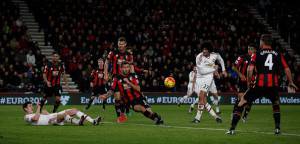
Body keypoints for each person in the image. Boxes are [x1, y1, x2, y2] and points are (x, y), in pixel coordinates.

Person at [227, 34, 298, 135]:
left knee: (242, 102)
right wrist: (291, 82)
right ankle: (277, 129)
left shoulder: (257, 54)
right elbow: (286, 68)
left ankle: (232, 129)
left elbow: (250, 69)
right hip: (272, 85)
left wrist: (249, 82)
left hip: (258, 85)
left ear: (262, 42)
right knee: (275, 104)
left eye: (260, 41)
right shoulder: (278, 54)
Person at [193, 42, 227, 123]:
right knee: (203, 99)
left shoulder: (215, 55)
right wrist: (214, 69)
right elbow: (201, 70)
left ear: (209, 50)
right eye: (203, 49)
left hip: (208, 78)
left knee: (201, 96)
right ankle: (216, 117)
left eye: (205, 50)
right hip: (199, 77)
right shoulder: (199, 57)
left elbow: (221, 60)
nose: (204, 51)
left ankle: (197, 118)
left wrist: (223, 70)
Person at [104, 37, 133, 120]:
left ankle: (123, 112)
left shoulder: (129, 55)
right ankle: (119, 116)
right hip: (115, 77)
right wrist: (105, 74)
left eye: (122, 44)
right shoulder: (113, 52)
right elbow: (106, 62)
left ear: (125, 44)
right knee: (117, 97)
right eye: (119, 44)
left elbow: (131, 66)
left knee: (124, 98)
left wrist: (132, 77)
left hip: (125, 79)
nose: (120, 46)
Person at [231, 44, 257, 122]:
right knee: (241, 98)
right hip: (242, 82)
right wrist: (240, 74)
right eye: (248, 49)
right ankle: (234, 114)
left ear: (255, 50)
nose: (249, 50)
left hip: (252, 82)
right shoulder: (242, 57)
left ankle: (245, 116)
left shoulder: (257, 58)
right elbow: (234, 67)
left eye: (251, 49)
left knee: (250, 100)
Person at [23, 101, 101, 126]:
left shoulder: (36, 113)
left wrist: (44, 111)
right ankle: (78, 122)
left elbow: (44, 115)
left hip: (52, 116)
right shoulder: (26, 116)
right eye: (30, 106)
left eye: (31, 106)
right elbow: (35, 119)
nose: (32, 107)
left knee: (74, 110)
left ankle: (93, 121)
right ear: (25, 109)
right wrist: (39, 107)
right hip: (51, 120)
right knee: (64, 115)